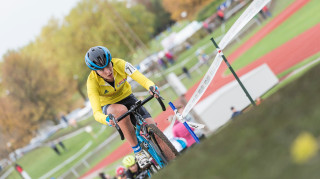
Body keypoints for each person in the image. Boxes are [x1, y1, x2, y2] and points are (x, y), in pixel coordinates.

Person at [85, 46, 163, 169]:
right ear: (95, 71)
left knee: (155, 132)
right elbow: (96, 113)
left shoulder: (120, 64)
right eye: (102, 70)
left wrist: (151, 86)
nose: (107, 71)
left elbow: (140, 77)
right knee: (120, 111)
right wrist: (106, 119)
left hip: (128, 97)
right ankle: (138, 151)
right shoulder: (91, 83)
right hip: (110, 106)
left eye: (108, 65)